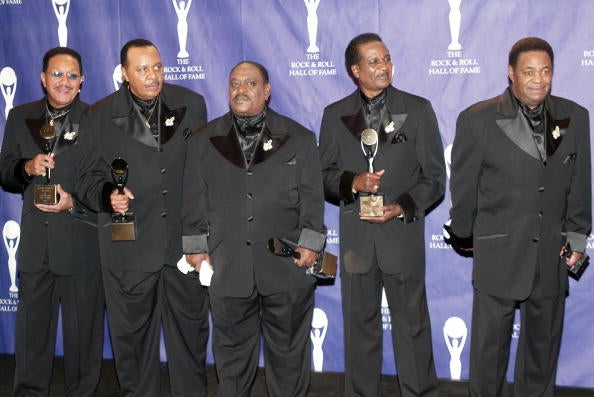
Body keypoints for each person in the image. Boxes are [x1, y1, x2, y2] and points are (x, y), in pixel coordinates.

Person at [446, 37, 591, 397]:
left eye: (546, 71)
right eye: (529, 71)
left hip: (551, 257)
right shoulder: (477, 119)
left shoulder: (576, 116)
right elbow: (464, 192)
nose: (538, 79)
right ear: (511, 73)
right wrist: (464, 236)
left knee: (541, 356)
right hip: (499, 255)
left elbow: (580, 184)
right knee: (488, 355)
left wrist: (577, 237)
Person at [182, 61, 326, 397]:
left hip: (287, 270)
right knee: (231, 367)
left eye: (249, 83)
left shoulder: (300, 138)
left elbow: (313, 201)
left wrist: (310, 244)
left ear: (267, 90)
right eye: (234, 83)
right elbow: (192, 200)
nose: (240, 90)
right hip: (228, 269)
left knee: (289, 364)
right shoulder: (203, 140)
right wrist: (195, 248)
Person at [74, 39, 209, 397]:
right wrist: (108, 195)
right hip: (128, 249)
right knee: (132, 349)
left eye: (158, 67)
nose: (153, 76)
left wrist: (201, 239)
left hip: (184, 249)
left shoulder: (191, 105)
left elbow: (202, 176)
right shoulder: (98, 115)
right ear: (124, 73)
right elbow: (84, 178)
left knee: (191, 343)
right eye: (143, 69)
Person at [318, 33, 444, 397]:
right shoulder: (334, 115)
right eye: (373, 62)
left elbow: (435, 178)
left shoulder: (418, 109)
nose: (383, 66)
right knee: (360, 331)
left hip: (401, 237)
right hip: (357, 242)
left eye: (386, 59)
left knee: (413, 329)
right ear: (355, 70)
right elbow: (321, 177)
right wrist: (352, 181)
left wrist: (402, 206)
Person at [0, 47, 104, 397]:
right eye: (57, 74)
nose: (64, 81)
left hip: (80, 242)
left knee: (83, 338)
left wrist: (73, 201)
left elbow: (105, 181)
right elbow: (5, 173)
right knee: (31, 335)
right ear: (43, 77)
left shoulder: (97, 119)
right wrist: (25, 168)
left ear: (82, 81)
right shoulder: (19, 116)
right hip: (35, 247)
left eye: (72, 75)